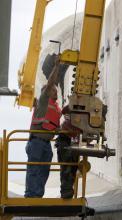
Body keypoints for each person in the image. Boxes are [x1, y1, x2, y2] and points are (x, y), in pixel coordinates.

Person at [24, 57, 61, 198]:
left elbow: (54, 126)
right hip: (37, 142)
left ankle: (37, 195)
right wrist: (56, 67)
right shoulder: (44, 101)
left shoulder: (56, 109)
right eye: (53, 90)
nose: (55, 92)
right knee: (34, 170)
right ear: (47, 91)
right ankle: (31, 196)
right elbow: (51, 82)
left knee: (44, 171)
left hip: (46, 145)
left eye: (56, 90)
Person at [55, 105, 81, 199]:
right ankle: (66, 193)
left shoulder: (74, 124)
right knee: (67, 170)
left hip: (70, 146)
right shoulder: (67, 124)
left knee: (70, 169)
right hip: (65, 145)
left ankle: (67, 193)